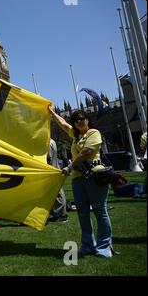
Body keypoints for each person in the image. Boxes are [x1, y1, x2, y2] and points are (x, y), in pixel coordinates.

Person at [49, 106, 113, 258]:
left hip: (94, 176)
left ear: (87, 120)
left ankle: (104, 247)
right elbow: (63, 124)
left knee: (100, 211)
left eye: (81, 119)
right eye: (76, 120)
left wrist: (70, 165)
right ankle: (87, 245)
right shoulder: (76, 135)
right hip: (78, 179)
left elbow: (87, 152)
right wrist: (52, 113)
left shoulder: (94, 133)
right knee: (83, 213)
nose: (78, 122)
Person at [47, 139, 68, 223]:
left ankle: (62, 215)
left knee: (57, 193)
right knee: (56, 193)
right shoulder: (51, 141)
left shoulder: (47, 142)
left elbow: (49, 159)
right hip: (54, 169)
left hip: (52, 171)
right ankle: (58, 214)